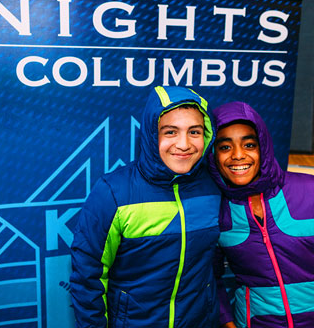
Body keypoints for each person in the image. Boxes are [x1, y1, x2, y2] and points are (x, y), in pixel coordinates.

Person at [70, 86, 221, 327]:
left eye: (194, 131)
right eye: (170, 132)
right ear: (152, 134)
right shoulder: (113, 192)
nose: (184, 144)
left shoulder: (214, 187)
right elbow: (88, 278)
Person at [208, 101, 314, 328]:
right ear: (213, 155)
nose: (237, 155)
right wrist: (228, 323)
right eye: (225, 147)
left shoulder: (309, 190)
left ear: (263, 147)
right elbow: (210, 278)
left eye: (249, 145)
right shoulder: (216, 211)